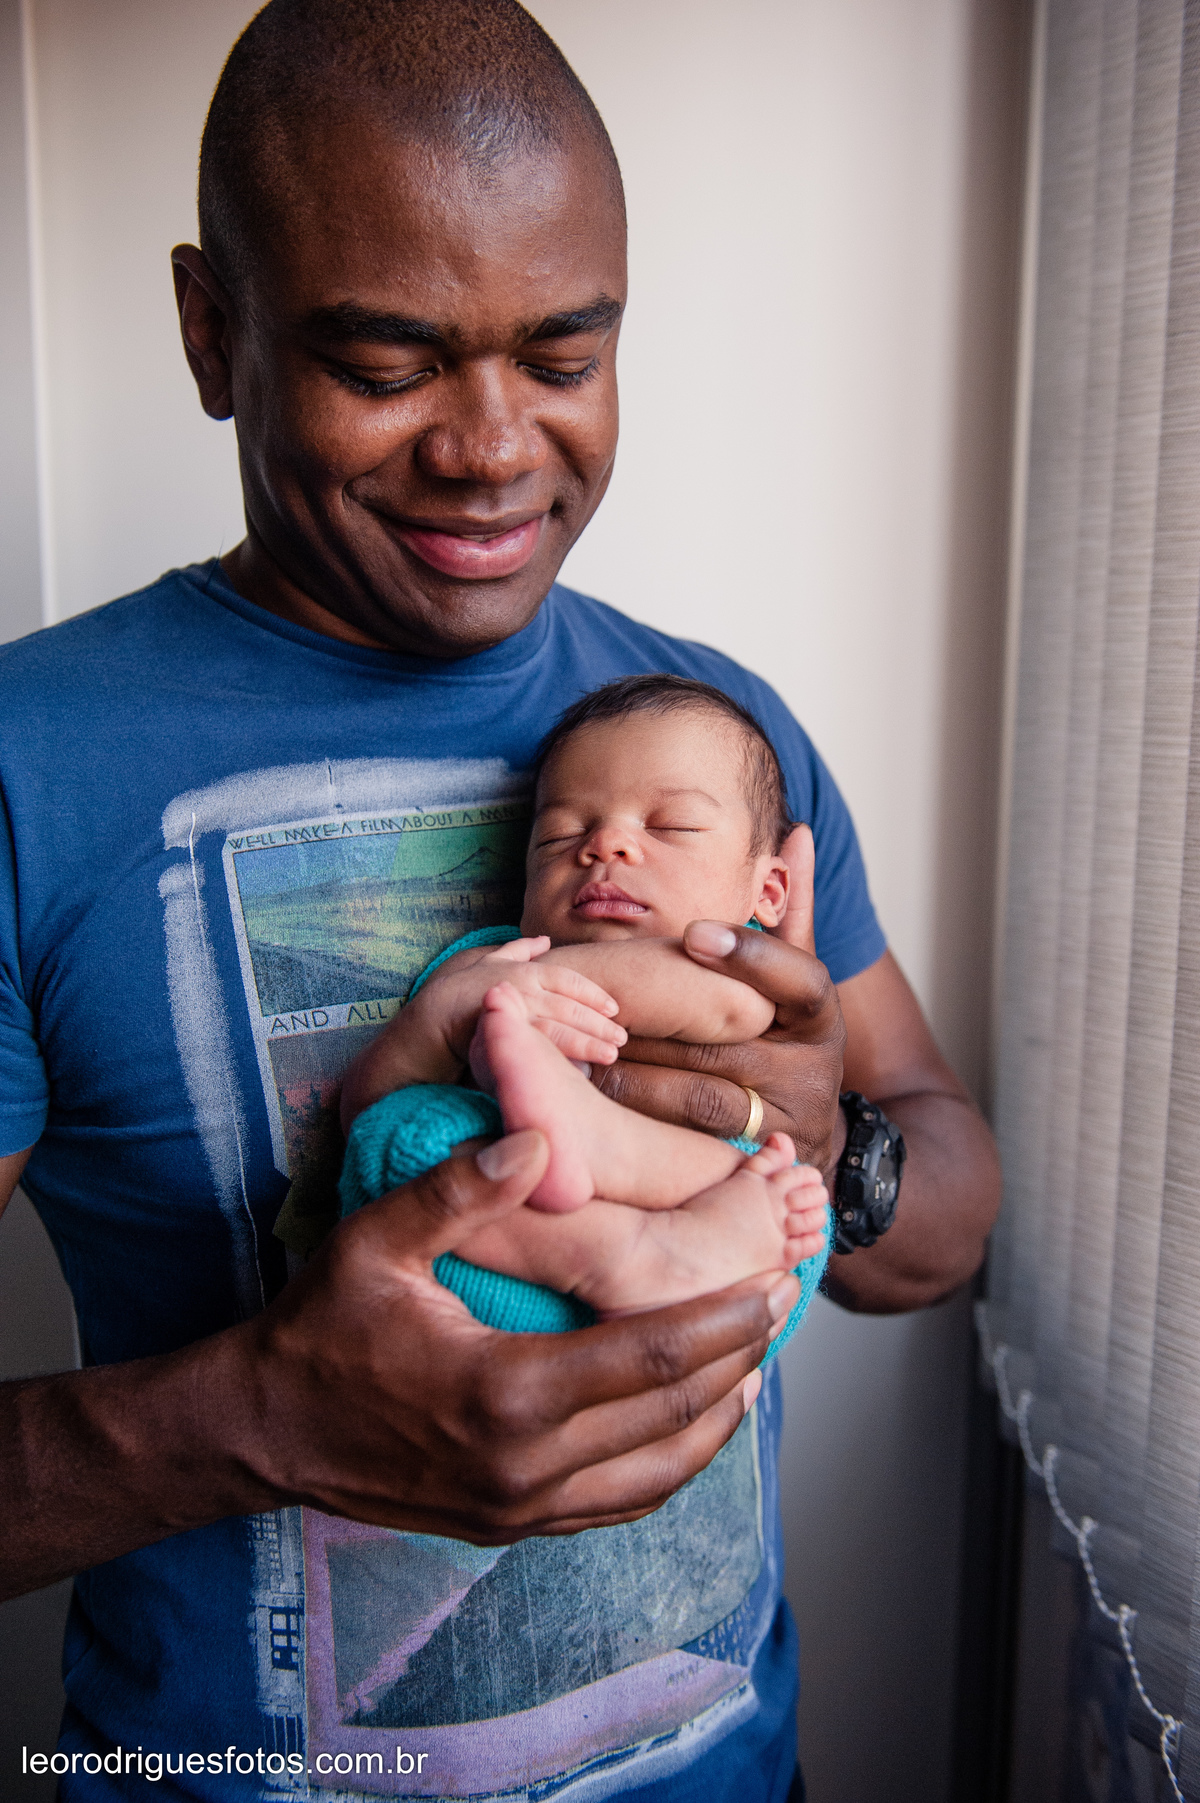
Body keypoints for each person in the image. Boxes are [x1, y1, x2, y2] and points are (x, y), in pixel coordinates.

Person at [0, 2, 1001, 1799]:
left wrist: (832, 1144)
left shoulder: (716, 741)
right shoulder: (26, 761)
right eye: (388, 364)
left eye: (563, 354)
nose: (491, 446)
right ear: (213, 331)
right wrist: (260, 1412)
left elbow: (945, 1227)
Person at [335, 675, 833, 1321]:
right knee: (397, 1133)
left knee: (787, 1199)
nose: (604, 845)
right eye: (559, 835)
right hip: (486, 1290)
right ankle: (613, 1248)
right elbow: (363, 1106)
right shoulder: (494, 958)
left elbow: (733, 1005)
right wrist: (432, 1025)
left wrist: (526, 992)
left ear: (767, 893)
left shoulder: (746, 965)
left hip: (711, 1257)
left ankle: (616, 1173)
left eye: (673, 825)